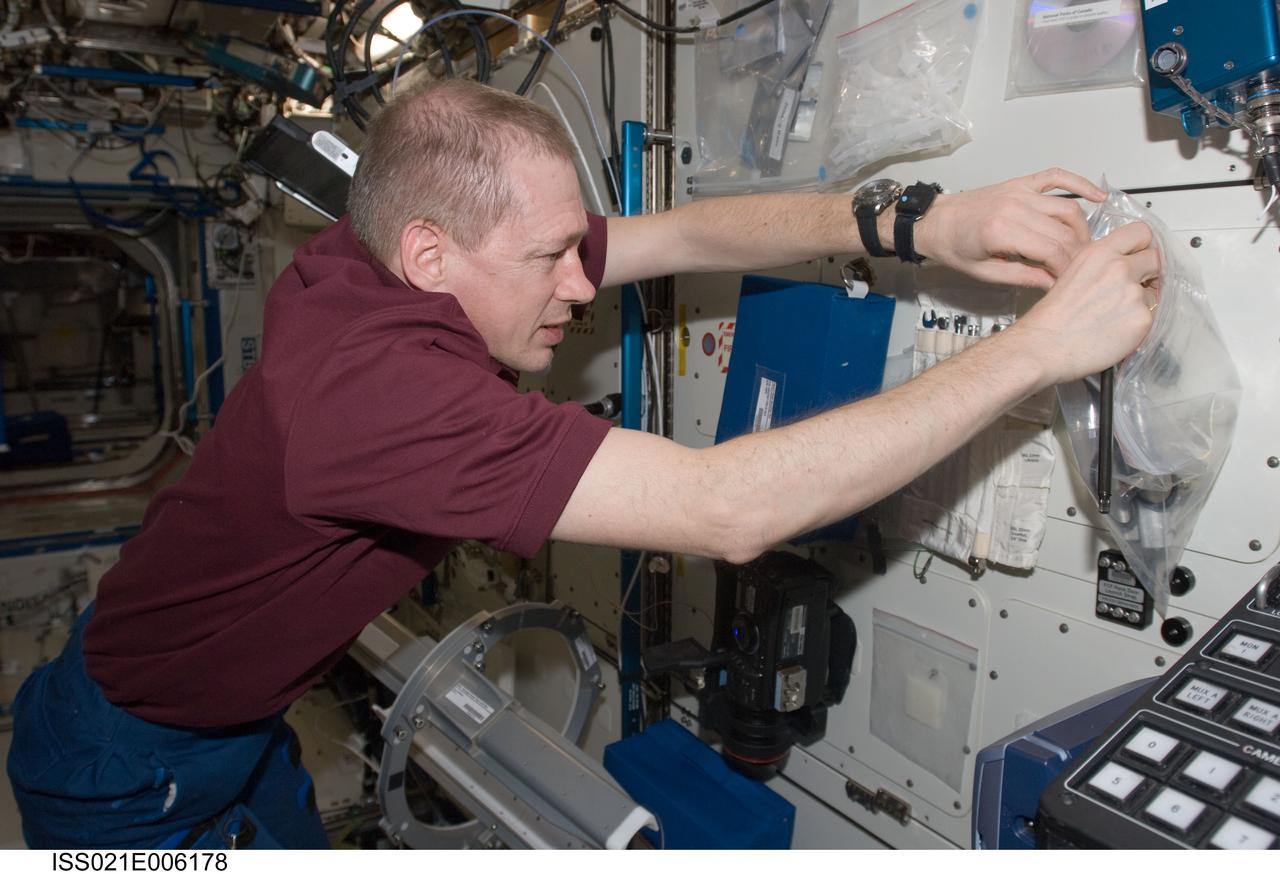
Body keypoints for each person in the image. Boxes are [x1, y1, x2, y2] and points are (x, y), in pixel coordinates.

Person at [7, 78, 1158, 849]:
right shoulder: (379, 406)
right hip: (126, 774)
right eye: (553, 257)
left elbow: (686, 235)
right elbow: (727, 509)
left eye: (574, 247)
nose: (579, 282)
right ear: (428, 251)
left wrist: (918, 224)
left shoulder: (387, 257)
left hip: (233, 724)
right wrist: (1037, 351)